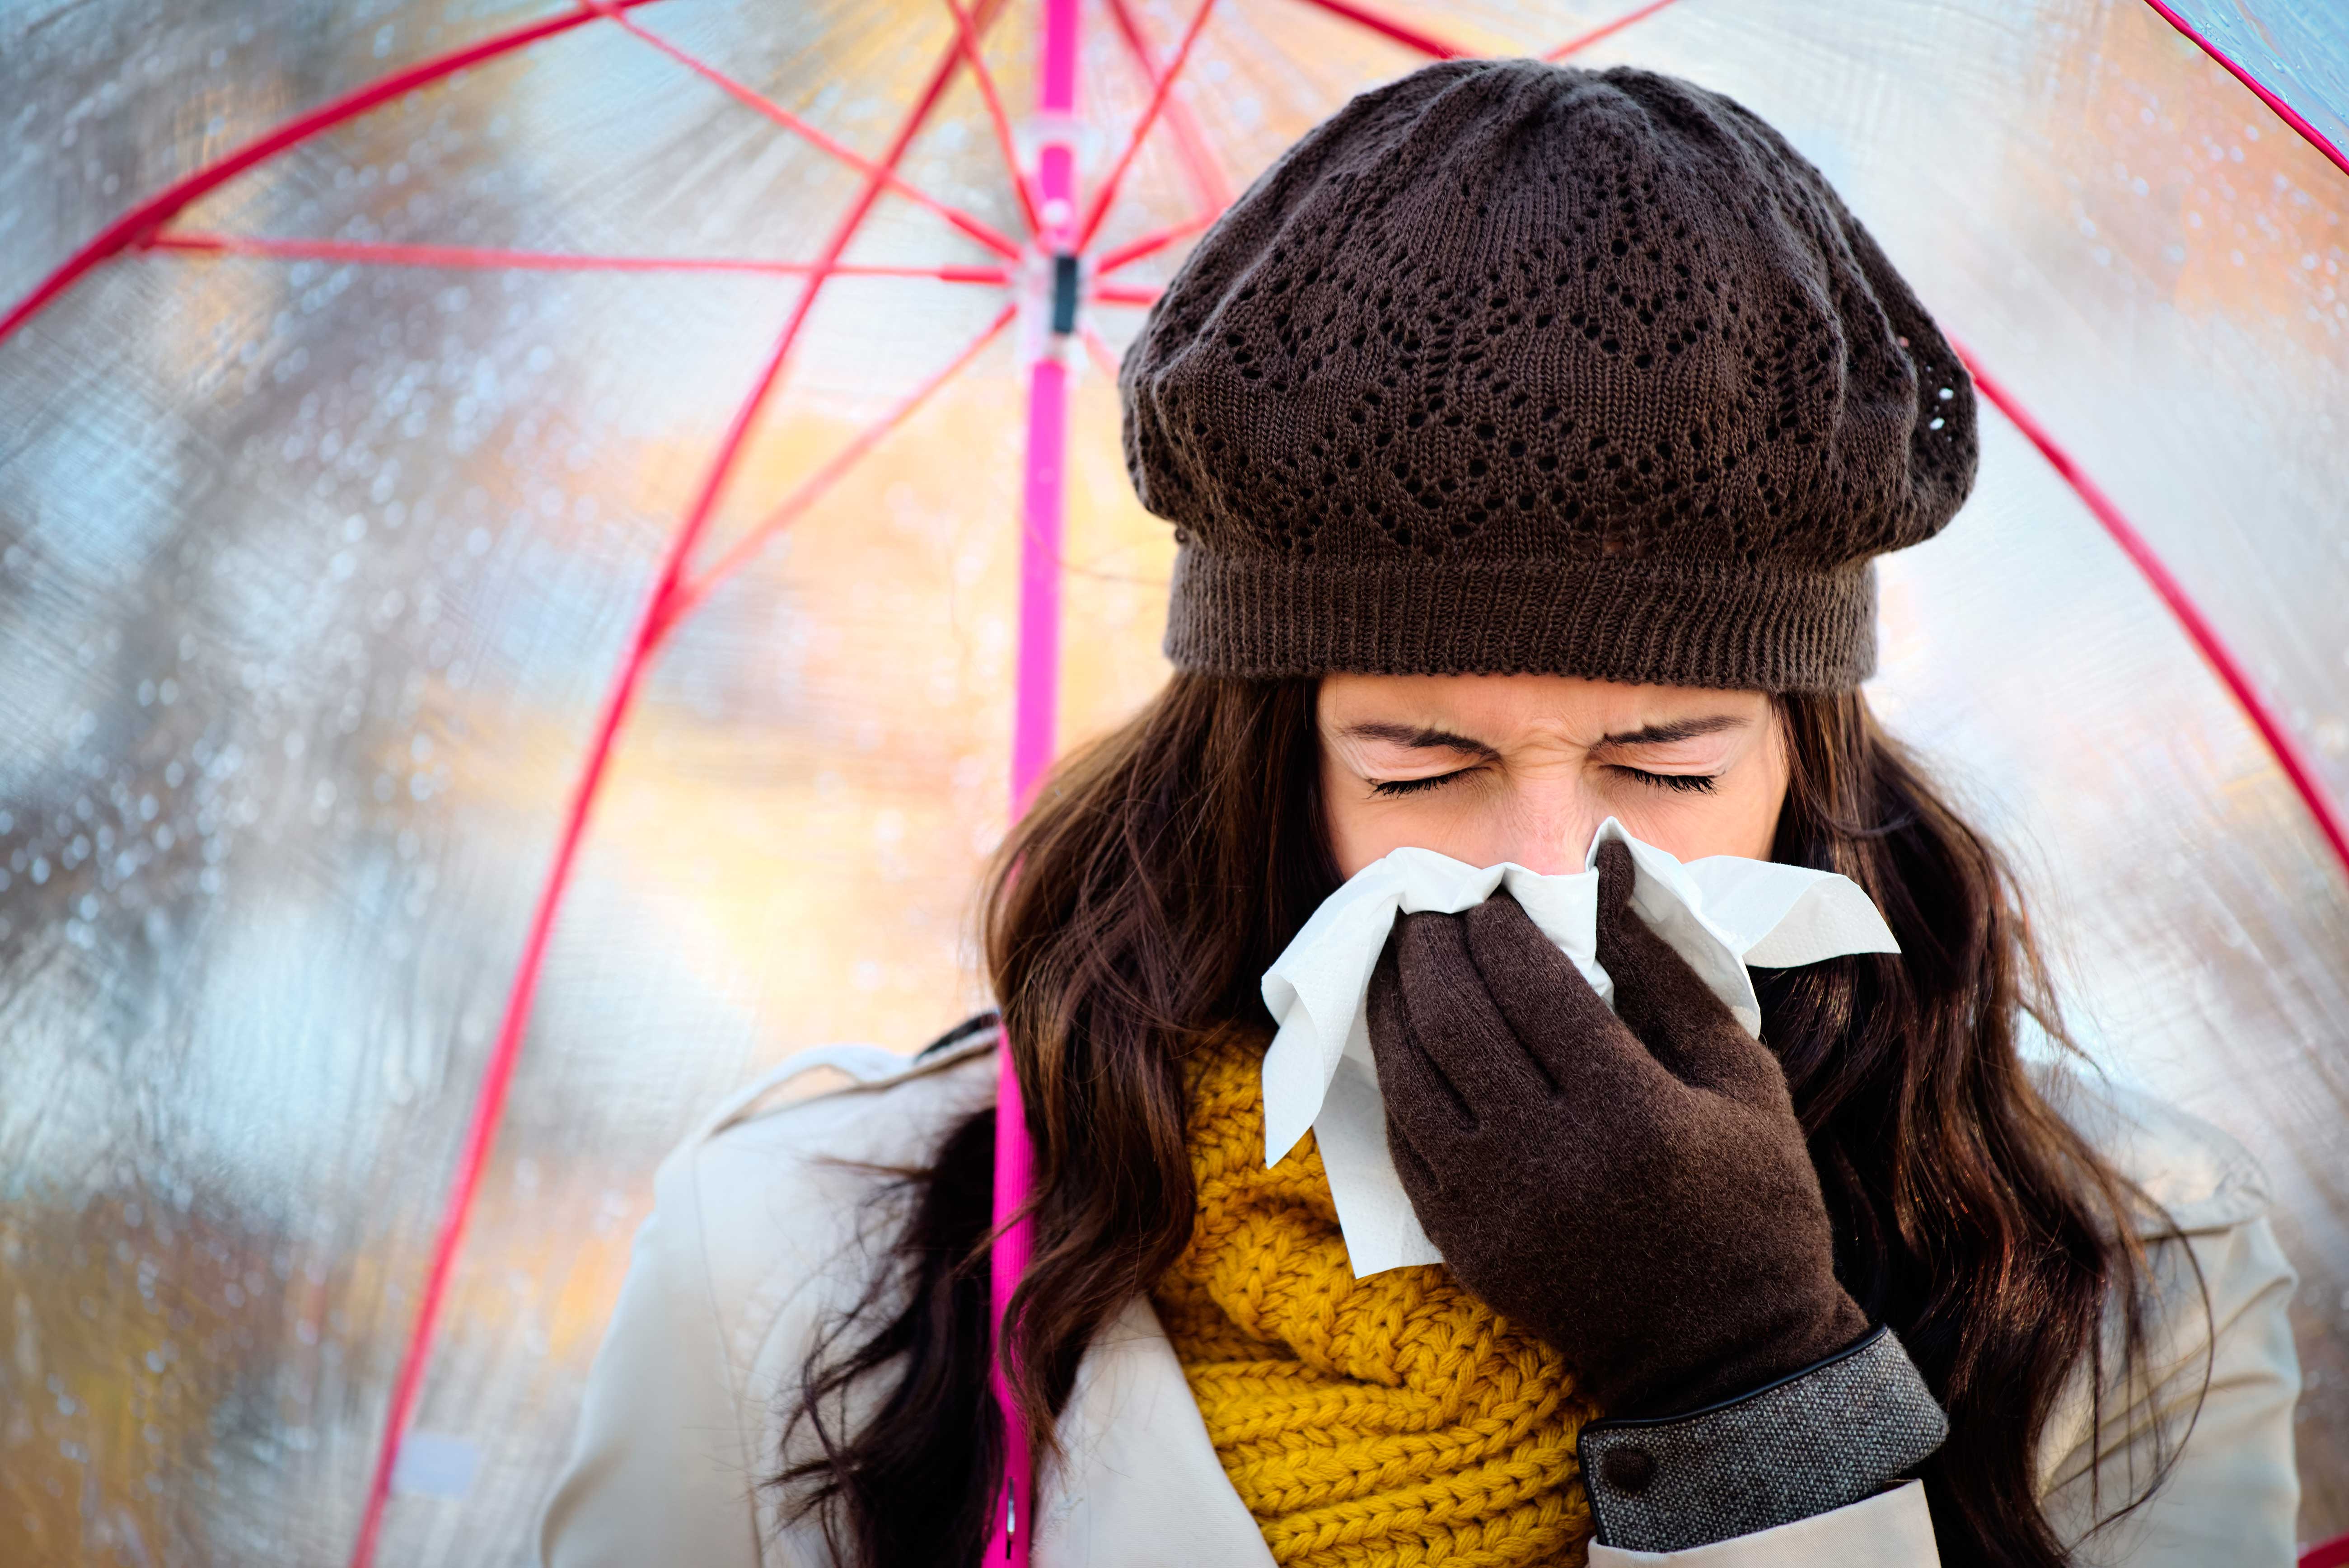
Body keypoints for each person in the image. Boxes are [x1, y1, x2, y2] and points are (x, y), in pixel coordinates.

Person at [535, 56, 2301, 1568]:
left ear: (1807, 765)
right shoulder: (799, 1251)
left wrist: (1757, 1387)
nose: (1547, 869)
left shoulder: (2123, 1271)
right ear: (1267, 766)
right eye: (1422, 765)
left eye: (1667, 767)